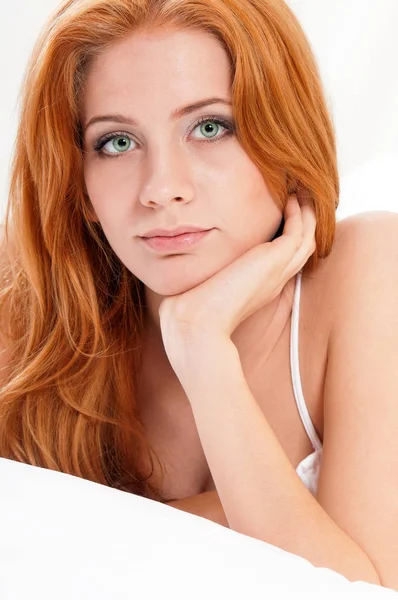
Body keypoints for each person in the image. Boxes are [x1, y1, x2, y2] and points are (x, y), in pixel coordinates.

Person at [0, 0, 397, 591]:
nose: (162, 189)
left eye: (210, 127)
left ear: (286, 138)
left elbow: (363, 588)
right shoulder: (28, 290)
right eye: (115, 143)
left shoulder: (370, 268)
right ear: (77, 184)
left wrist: (202, 348)